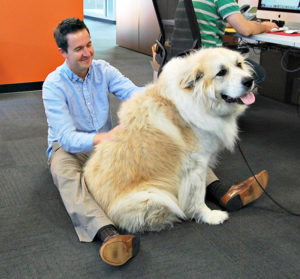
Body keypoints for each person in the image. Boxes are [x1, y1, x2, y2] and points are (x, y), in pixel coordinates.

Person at [43, 17, 269, 267]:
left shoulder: (102, 69)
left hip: (108, 141)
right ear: (62, 52)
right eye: (78, 49)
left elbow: (134, 92)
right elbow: (66, 136)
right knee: (67, 178)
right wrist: (103, 137)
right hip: (70, 147)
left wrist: (162, 76)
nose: (87, 53)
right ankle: (107, 234)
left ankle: (222, 192)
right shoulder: (53, 85)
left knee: (185, 146)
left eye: (89, 44)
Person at [191, 0, 279, 86]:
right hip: (210, 61)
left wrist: (239, 23)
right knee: (259, 73)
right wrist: (265, 26)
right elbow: (246, 30)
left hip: (189, 58)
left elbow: (207, 19)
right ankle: (226, 97)